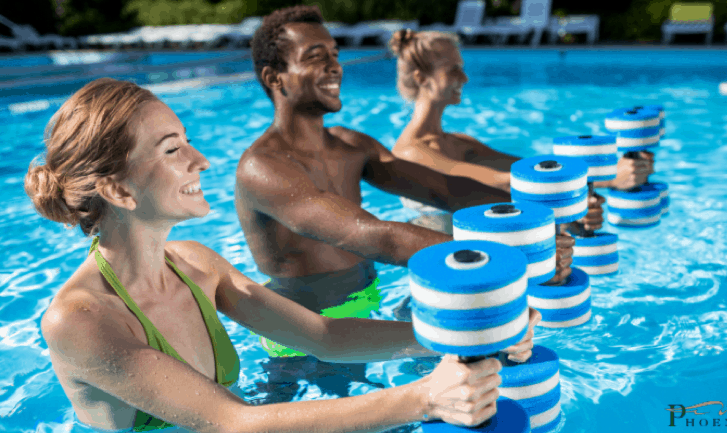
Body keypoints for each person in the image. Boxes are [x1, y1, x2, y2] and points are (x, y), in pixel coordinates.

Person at [25, 77, 539, 433]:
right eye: (170, 149)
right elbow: (233, 422)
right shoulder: (79, 320)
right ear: (118, 191)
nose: (200, 160)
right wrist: (425, 396)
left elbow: (323, 337)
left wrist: (470, 336)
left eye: (187, 141)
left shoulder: (196, 264)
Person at [237, 5, 557, 358]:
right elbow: (373, 235)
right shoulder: (263, 168)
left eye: (335, 54)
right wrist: (493, 262)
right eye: (315, 57)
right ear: (274, 78)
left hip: (367, 303)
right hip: (303, 335)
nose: (334, 66)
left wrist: (537, 225)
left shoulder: (351, 145)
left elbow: (446, 190)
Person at [387, 29, 654, 236]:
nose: (465, 79)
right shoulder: (410, 152)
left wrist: (604, 170)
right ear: (422, 78)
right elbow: (501, 183)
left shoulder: (460, 142)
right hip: (444, 284)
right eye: (453, 70)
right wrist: (609, 181)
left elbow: (531, 170)